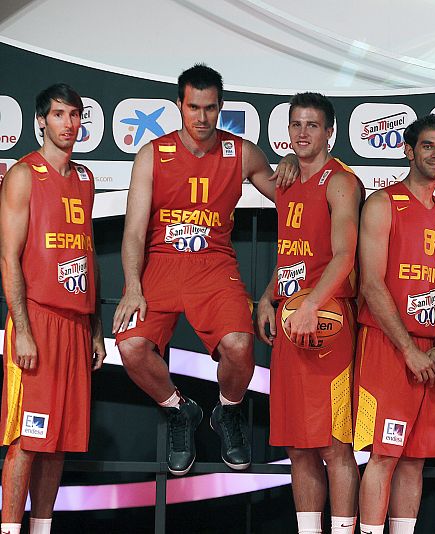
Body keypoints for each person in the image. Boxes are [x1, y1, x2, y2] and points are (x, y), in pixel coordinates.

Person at [112, 64, 295, 476]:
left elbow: (290, 196)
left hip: (214, 264)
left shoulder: (242, 151)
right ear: (179, 105)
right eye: (193, 107)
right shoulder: (153, 155)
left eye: (210, 108)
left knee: (239, 346)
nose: (201, 117)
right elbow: (134, 231)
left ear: (221, 107)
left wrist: (292, 164)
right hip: (161, 262)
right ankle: (181, 410)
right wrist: (132, 286)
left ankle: (227, 411)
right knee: (130, 347)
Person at [0, 84, 105, 534]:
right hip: (36, 321)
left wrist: (96, 328)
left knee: (57, 442)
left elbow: (87, 252)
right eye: (60, 115)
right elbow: (8, 256)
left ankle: (42, 528)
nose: (69, 124)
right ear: (41, 120)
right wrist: (21, 329)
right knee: (27, 440)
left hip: (76, 324)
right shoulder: (24, 175)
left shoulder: (85, 179)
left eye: (75, 115)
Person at [255, 92, 362, 534]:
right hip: (291, 316)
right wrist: (268, 295)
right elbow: (292, 255)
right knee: (299, 446)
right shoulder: (286, 180)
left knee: (335, 445)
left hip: (328, 322)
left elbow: (344, 255)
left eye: (312, 125)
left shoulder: (340, 183)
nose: (302, 133)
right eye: (296, 125)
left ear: (330, 132)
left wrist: (312, 305)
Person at [354, 114, 435, 534]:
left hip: (429, 350)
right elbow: (372, 285)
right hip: (388, 346)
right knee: (385, 454)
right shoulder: (383, 204)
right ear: (409, 150)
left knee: (415, 459)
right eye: (428, 146)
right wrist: (408, 350)